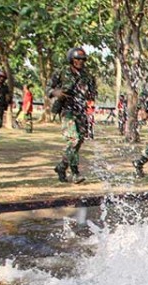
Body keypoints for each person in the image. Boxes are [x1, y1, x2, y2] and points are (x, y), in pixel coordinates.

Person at [48, 47, 97, 183]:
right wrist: (56, 93)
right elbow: (49, 88)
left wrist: (90, 102)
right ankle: (75, 173)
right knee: (73, 140)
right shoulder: (62, 73)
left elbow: (92, 94)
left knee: (79, 141)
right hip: (66, 110)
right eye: (77, 59)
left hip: (81, 111)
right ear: (71, 59)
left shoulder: (88, 76)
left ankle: (62, 166)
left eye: (82, 59)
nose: (80, 62)